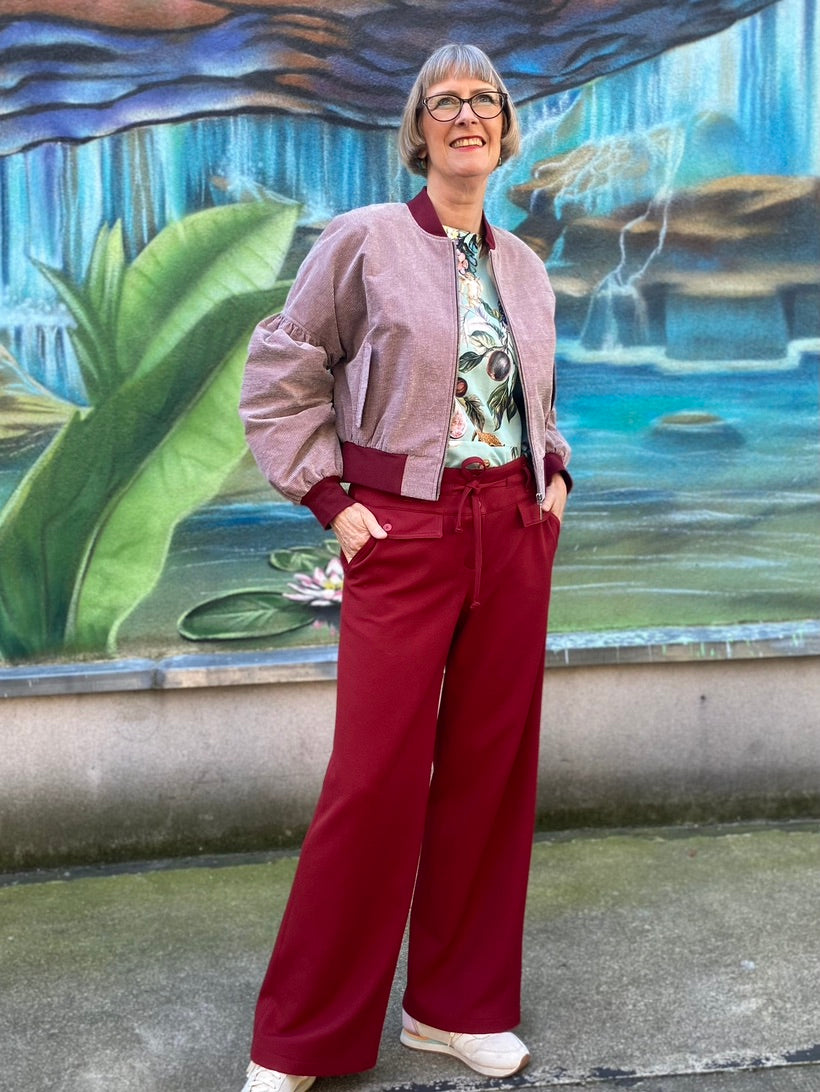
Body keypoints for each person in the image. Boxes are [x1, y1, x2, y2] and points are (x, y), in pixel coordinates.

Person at [237, 42, 571, 1092]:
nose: (467, 115)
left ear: (505, 129)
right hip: (400, 533)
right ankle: (300, 1039)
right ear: (418, 130)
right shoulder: (365, 241)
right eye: (445, 102)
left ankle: (452, 1008)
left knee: (490, 774)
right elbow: (282, 370)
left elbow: (530, 400)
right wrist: (330, 502)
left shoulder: (525, 268)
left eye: (485, 100)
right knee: (373, 780)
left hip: (512, 530)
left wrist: (556, 474)